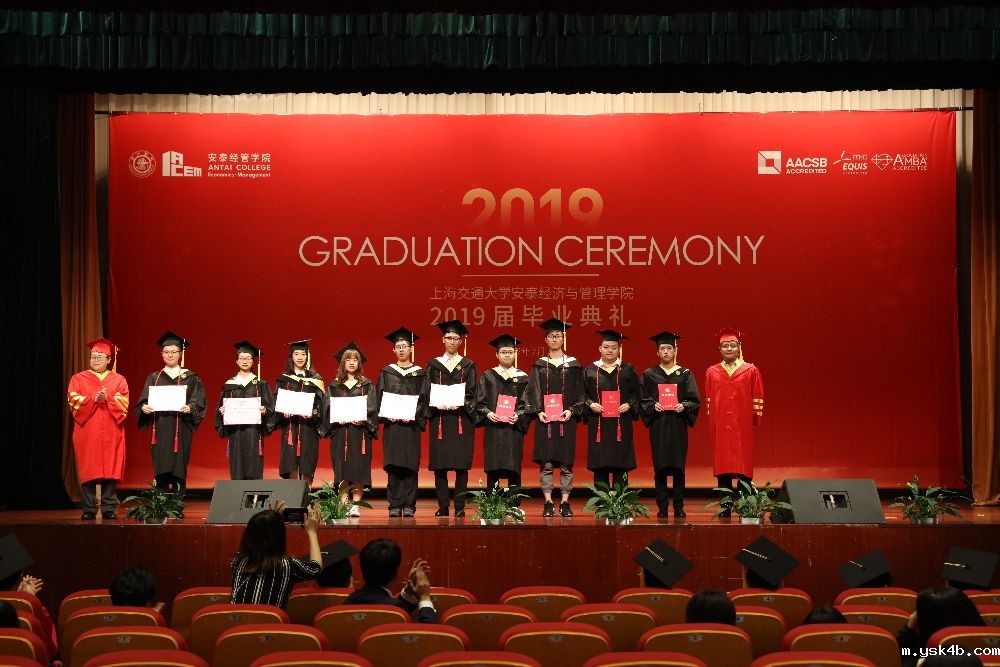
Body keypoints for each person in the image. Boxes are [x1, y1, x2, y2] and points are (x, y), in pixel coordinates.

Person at [136, 331, 207, 502]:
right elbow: (142, 402)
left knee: (178, 468)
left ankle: (177, 505)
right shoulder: (154, 377)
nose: (170, 355)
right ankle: (160, 505)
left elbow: (199, 401)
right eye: (166, 352)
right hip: (160, 429)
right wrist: (144, 407)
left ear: (180, 354)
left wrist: (190, 408)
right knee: (161, 467)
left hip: (181, 429)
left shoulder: (191, 378)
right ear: (161, 354)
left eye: (174, 352)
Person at [525, 318, 585, 517]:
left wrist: (572, 410)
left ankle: (565, 502)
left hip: (566, 420)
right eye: (551, 336)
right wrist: (538, 411)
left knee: (566, 463)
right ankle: (548, 502)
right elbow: (533, 390)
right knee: (547, 463)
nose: (554, 338)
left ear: (563, 338)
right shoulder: (539, 365)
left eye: (558, 335)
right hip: (545, 420)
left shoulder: (574, 365)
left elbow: (580, 392)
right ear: (546, 339)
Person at [639, 330, 701, 518]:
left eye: (669, 348)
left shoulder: (685, 374)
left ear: (675, 350)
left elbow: (694, 400)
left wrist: (684, 406)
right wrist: (652, 405)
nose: (666, 351)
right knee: (660, 468)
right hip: (659, 426)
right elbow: (642, 400)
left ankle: (679, 507)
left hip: (677, 426)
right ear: (657, 352)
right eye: (662, 349)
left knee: (678, 468)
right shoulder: (649, 374)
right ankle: (662, 507)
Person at [704, 327, 764, 517]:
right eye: (725, 346)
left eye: (732, 345)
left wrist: (755, 418)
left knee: (743, 467)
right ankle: (725, 508)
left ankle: (746, 508)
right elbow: (709, 400)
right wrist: (713, 422)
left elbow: (758, 396)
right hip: (721, 426)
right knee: (723, 468)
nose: (729, 349)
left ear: (739, 348)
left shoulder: (750, 370)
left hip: (742, 426)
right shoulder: (712, 371)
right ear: (719, 349)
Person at [67, 338, 128, 521]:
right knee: (88, 468)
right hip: (87, 430)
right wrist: (93, 398)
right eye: (93, 356)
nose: (95, 359)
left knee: (110, 468)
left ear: (109, 359)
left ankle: (109, 508)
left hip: (111, 430)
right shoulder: (78, 378)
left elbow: (124, 402)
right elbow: (72, 399)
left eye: (100, 356)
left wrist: (108, 398)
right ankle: (89, 508)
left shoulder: (118, 379)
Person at [376, 328, 429, 518]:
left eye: (404, 346)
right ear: (394, 350)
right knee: (394, 465)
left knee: (410, 464)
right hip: (393, 427)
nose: (401, 349)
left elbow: (424, 399)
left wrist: (414, 414)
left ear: (411, 349)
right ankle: (394, 504)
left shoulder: (420, 374)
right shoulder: (386, 372)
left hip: (411, 427)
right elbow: (379, 398)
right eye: (398, 346)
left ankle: (409, 505)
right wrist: (385, 415)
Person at [427, 321, 478, 517]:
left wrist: (462, 402)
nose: (452, 341)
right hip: (440, 420)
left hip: (461, 420)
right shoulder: (433, 365)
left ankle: (459, 507)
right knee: (440, 466)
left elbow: (473, 393)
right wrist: (434, 404)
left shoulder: (468, 365)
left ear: (460, 341)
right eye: (448, 338)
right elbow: (426, 391)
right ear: (443, 340)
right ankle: (442, 506)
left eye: (455, 338)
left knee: (461, 465)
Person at [230, 502, 323, 609]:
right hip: (269, 620)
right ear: (280, 538)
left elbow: (263, 535)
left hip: (237, 619)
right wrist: (312, 532)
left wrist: (272, 520)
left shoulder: (237, 561)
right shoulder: (288, 565)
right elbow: (316, 568)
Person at [322, 342, 377, 517]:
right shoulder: (334, 386)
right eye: (348, 360)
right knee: (342, 469)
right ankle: (344, 504)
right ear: (343, 363)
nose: (352, 362)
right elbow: (327, 410)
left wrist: (364, 420)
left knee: (359, 468)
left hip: (360, 433)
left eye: (355, 359)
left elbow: (373, 408)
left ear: (359, 363)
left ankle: (355, 505)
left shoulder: (366, 385)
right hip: (340, 433)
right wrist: (335, 418)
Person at [583, 330, 640, 491]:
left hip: (621, 424)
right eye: (606, 347)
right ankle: (602, 503)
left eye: (614, 347)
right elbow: (582, 394)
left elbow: (637, 393)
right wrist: (590, 404)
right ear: (599, 348)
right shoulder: (590, 370)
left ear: (619, 349)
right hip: (598, 424)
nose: (610, 350)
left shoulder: (627, 369)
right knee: (600, 465)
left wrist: (629, 404)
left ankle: (619, 503)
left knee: (620, 464)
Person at [475, 334, 530, 494]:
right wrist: (487, 413)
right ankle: (492, 502)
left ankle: (514, 503)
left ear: (515, 354)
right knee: (494, 467)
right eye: (504, 352)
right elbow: (480, 401)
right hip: (494, 429)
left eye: (510, 352)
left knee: (514, 467)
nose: (507, 355)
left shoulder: (523, 377)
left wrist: (519, 414)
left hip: (513, 429)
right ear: (497, 354)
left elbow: (528, 403)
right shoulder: (488, 376)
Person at [216, 341, 275, 480]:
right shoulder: (229, 384)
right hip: (235, 432)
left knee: (253, 465)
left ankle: (255, 494)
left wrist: (264, 410)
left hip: (253, 432)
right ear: (236, 361)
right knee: (237, 465)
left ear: (253, 361)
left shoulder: (261, 384)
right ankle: (238, 493)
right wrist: (222, 410)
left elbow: (270, 408)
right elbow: (220, 408)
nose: (245, 361)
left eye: (248, 358)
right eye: (242, 358)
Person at [272, 339, 325, 487]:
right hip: (290, 427)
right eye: (296, 354)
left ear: (308, 356)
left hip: (309, 427)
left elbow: (321, 404)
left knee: (307, 463)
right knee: (291, 463)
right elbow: (276, 403)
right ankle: (293, 497)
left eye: (303, 354)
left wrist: (313, 413)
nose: (300, 357)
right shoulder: (284, 380)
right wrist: (282, 412)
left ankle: (306, 497)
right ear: (291, 357)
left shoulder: (316, 379)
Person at [344, 538, 436, 623]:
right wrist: (424, 598)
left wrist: (408, 592)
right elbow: (425, 632)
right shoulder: (395, 609)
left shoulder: (348, 602)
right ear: (395, 573)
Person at [896, 587, 985, 667]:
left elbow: (903, 659)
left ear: (925, 620)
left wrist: (909, 628)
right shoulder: (986, 646)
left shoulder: (925, 659)